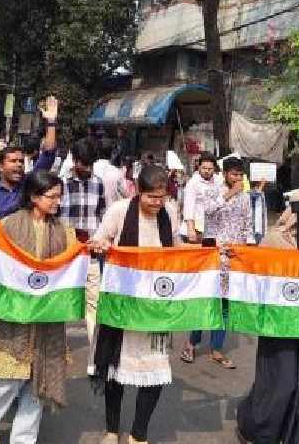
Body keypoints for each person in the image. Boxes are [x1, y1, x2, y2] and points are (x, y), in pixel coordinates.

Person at [0, 171, 75, 444]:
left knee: (37, 385)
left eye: (60, 196)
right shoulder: (8, 225)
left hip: (47, 319)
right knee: (5, 384)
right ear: (34, 197)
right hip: (14, 315)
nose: (57, 202)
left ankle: (24, 439)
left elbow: (72, 261)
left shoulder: (63, 230)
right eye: (52, 196)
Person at [89, 166, 181, 444]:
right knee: (115, 370)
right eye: (151, 197)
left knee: (155, 372)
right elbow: (98, 239)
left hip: (156, 306)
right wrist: (101, 246)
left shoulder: (171, 213)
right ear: (139, 192)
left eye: (161, 197)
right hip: (122, 303)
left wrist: (207, 252)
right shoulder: (119, 210)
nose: (157, 203)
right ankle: (112, 430)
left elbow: (177, 247)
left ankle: (138, 434)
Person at [0, 96, 60, 378]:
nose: (18, 166)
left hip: (28, 263)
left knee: (24, 315)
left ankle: (22, 365)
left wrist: (51, 122)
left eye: (21, 161)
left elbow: (49, 153)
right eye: (12, 161)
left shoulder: (31, 186)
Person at [237, 186, 299, 444]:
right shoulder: (275, 239)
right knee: (280, 380)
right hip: (278, 323)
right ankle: (257, 428)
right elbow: (257, 274)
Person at [181, 156, 250, 370]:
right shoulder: (214, 190)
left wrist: (245, 249)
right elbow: (208, 211)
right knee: (207, 299)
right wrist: (229, 194)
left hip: (234, 257)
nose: (238, 178)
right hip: (213, 254)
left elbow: (248, 224)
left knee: (225, 304)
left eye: (241, 175)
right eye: (234, 174)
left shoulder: (246, 197)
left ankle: (217, 349)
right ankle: (191, 343)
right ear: (226, 174)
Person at [59, 139, 106, 375]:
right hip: (64, 255)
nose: (87, 168)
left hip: (91, 253)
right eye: (83, 163)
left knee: (93, 304)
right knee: (60, 302)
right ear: (74, 160)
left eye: (90, 164)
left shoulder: (99, 184)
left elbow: (102, 215)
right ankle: (55, 351)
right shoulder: (61, 183)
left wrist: (101, 240)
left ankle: (95, 358)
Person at [182, 153, 221, 244]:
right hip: (197, 229)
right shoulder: (193, 183)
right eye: (204, 168)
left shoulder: (218, 180)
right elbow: (188, 207)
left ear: (214, 168)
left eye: (209, 169)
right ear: (199, 167)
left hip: (213, 228)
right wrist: (190, 229)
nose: (206, 171)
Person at [250, 179, 268, 245]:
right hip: (254, 225)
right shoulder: (250, 191)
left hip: (260, 224)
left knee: (257, 243)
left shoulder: (262, 193)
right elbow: (255, 195)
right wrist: (261, 186)